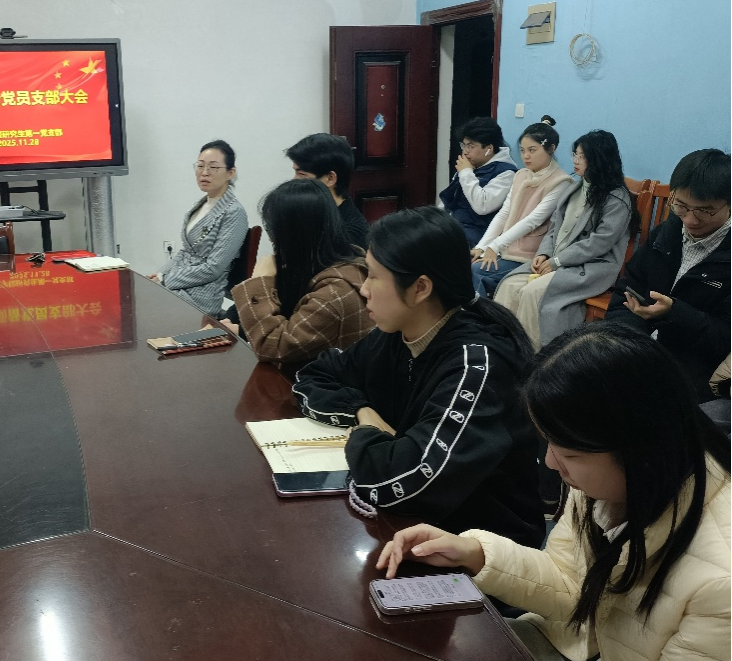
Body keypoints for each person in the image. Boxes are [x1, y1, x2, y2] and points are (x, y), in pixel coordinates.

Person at [377, 323, 731, 661]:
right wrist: (473, 554)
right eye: (547, 442)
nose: (550, 462)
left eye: (569, 453)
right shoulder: (612, 483)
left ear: (640, 447)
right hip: (571, 642)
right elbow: (573, 584)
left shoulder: (720, 585)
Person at [292, 207, 544, 548]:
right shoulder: (396, 335)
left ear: (420, 288)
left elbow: (408, 482)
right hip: (412, 530)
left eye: (373, 276)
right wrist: (362, 411)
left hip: (479, 550)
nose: (364, 289)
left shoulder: (477, 364)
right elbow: (314, 374)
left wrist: (364, 435)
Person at [606, 149, 730, 403]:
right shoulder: (667, 232)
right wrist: (631, 344)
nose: (690, 220)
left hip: (692, 369)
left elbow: (723, 340)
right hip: (639, 349)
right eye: (681, 206)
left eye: (705, 211)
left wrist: (674, 312)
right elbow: (625, 293)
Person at [494, 130, 633, 349]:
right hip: (556, 261)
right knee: (509, 285)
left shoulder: (616, 197)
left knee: (532, 293)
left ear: (598, 159)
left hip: (590, 266)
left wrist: (557, 261)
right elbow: (553, 228)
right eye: (575, 154)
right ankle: (503, 348)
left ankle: (535, 355)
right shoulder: (574, 187)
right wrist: (544, 253)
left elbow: (599, 243)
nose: (576, 160)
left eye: (582, 156)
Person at [224, 179, 373, 370]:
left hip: (318, 384)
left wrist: (259, 282)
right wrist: (238, 327)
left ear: (293, 234)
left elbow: (273, 346)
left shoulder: (335, 292)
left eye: (272, 229)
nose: (271, 239)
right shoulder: (317, 261)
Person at [470, 116, 573, 298]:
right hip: (505, 249)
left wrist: (495, 246)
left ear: (551, 148)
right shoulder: (521, 175)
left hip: (528, 256)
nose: (526, 156)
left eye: (532, 150)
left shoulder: (561, 182)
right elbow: (504, 213)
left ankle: (480, 315)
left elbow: (533, 220)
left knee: (476, 271)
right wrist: (483, 246)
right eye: (523, 150)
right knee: (466, 264)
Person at [150, 140, 248, 316]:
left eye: (213, 167)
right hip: (182, 284)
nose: (204, 172)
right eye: (200, 166)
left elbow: (214, 268)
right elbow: (186, 251)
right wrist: (159, 274)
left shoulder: (234, 212)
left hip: (202, 294)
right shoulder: (201, 205)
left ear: (230, 173)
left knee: (143, 306)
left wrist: (166, 279)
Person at [440, 117, 518, 247]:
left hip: (478, 237)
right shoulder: (469, 167)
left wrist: (466, 173)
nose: (465, 151)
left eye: (471, 146)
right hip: (454, 228)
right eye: (464, 145)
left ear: (489, 149)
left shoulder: (506, 173)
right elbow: (448, 202)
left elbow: (483, 206)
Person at [286, 133, 368, 248]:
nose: (294, 180)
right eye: (295, 172)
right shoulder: (313, 209)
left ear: (330, 178)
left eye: (302, 174)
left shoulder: (350, 234)